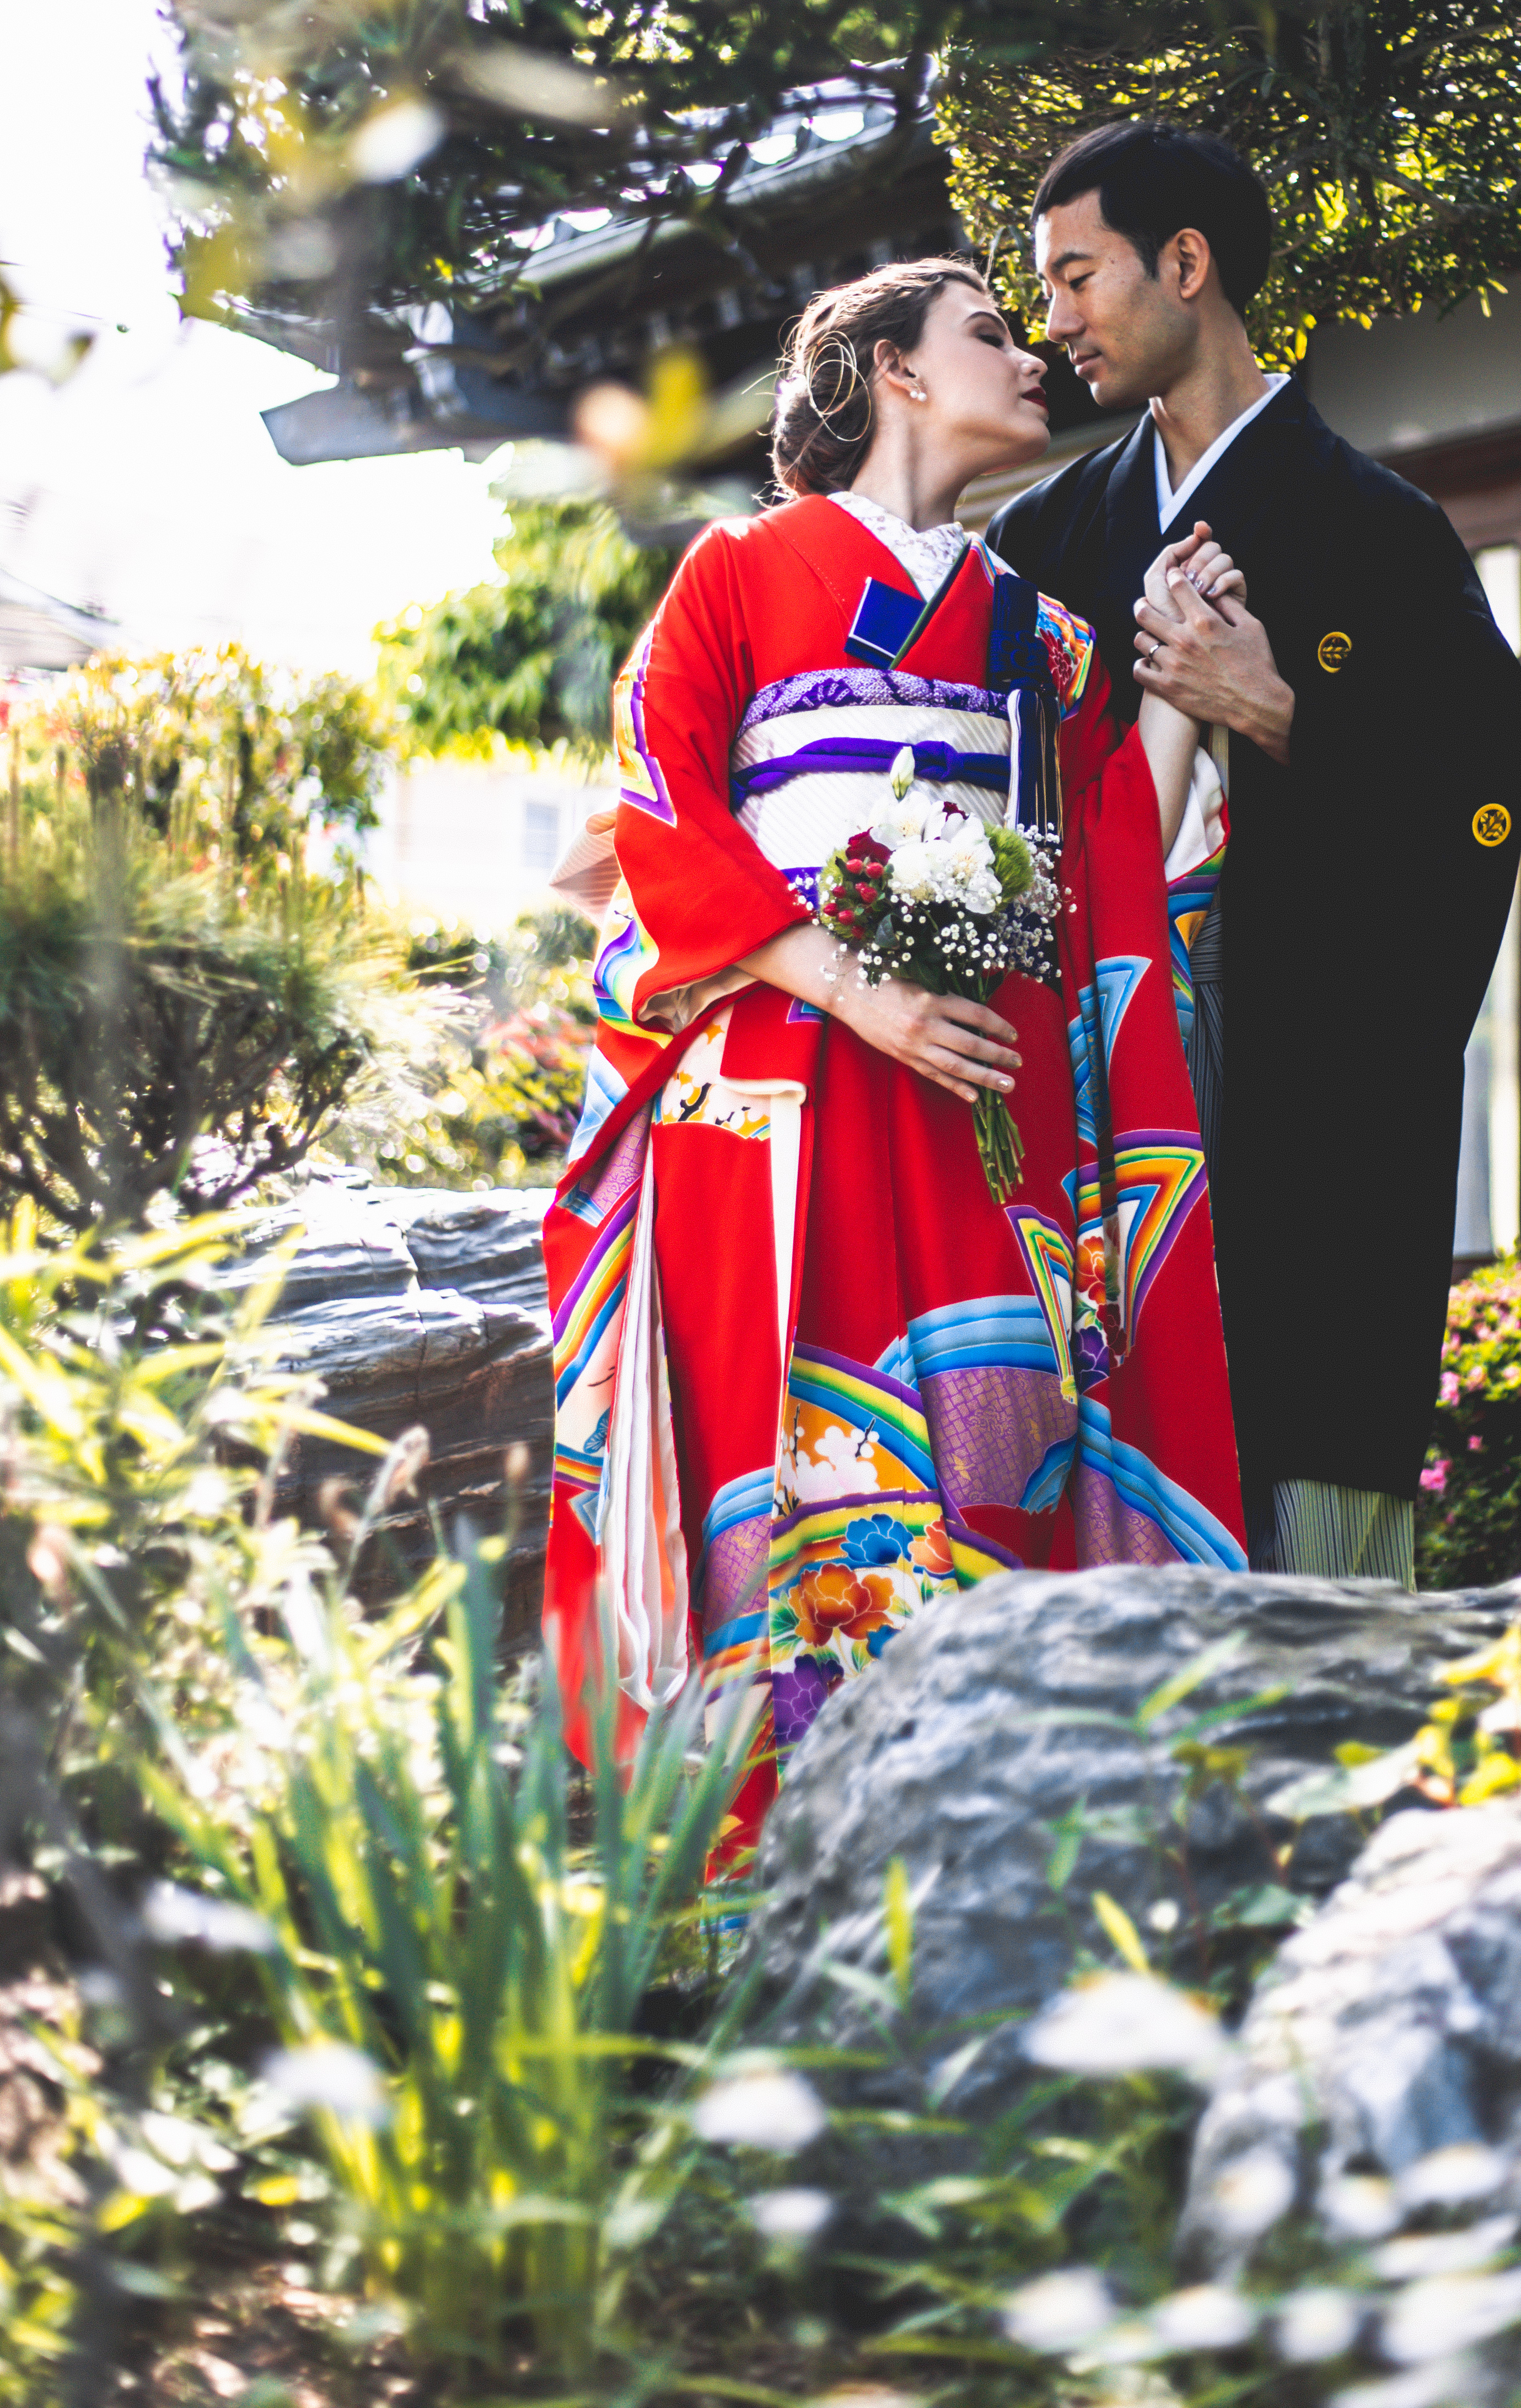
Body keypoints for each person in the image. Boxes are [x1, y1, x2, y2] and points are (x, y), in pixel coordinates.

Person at [542, 256, 1245, 1852]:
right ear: (892, 374)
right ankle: (752, 1879)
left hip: (975, 1090)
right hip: (780, 1083)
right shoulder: (736, 572)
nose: (1034, 357)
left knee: (998, 1433)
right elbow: (662, 799)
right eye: (991, 335)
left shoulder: (1042, 639)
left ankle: (978, 1849)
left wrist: (1185, 694)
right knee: (782, 1453)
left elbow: (1109, 851)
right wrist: (849, 988)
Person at [987, 122, 1521, 1585]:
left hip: (1303, 1033)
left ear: (1186, 263)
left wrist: (1284, 717)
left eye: (1075, 277)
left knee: (1301, 1422)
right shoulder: (1051, 532)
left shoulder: (1376, 528)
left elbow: (1487, 772)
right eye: (1037, 292)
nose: (1053, 325)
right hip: (1099, 1038)